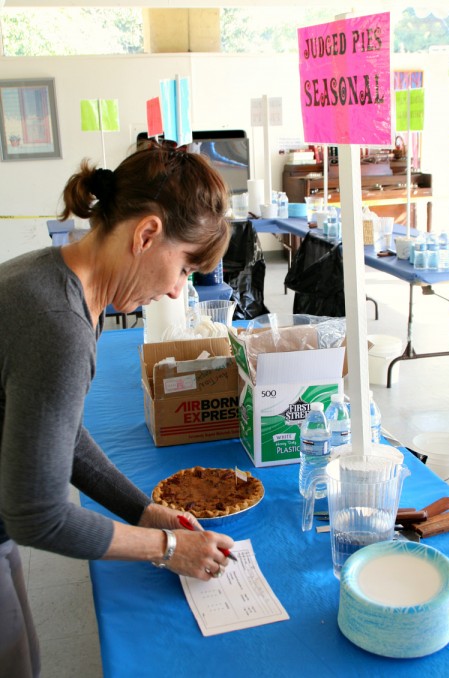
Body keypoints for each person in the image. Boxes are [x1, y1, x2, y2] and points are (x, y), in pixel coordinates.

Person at [0, 142, 234, 678]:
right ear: (146, 234)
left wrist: (143, 510)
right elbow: (37, 514)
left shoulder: (60, 280)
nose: (177, 289)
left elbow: (60, 430)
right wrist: (167, 545)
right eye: (182, 267)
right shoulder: (57, 322)